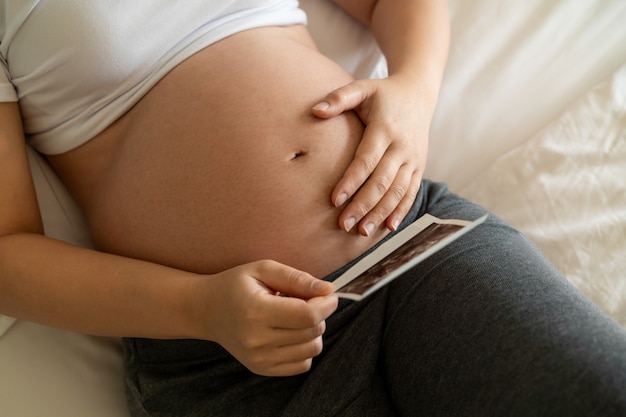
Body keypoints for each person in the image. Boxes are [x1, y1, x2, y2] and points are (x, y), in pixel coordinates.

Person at [1, 1, 625, 416]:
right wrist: (201, 309)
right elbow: (7, 253)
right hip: (229, 359)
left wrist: (412, 91)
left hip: (415, 245)